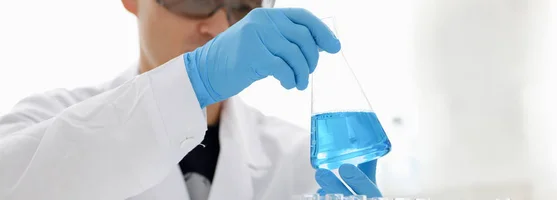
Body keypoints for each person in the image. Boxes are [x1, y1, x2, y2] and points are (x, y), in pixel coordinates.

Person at [0, 0, 382, 199]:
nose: (218, 26)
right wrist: (193, 80)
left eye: (242, 4)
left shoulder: (302, 165)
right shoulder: (43, 123)